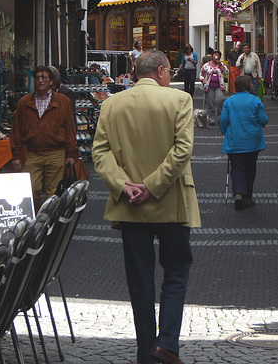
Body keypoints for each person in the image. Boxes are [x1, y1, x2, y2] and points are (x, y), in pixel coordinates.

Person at [92, 50, 201, 364]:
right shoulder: (179, 101)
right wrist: (152, 186)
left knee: (139, 280)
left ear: (137, 73)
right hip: (171, 202)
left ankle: (145, 352)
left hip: (129, 206)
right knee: (176, 272)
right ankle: (165, 345)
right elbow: (182, 151)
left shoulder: (111, 104)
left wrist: (124, 185)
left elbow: (101, 153)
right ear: (163, 71)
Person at [10, 65, 78, 211]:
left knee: (53, 192)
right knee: (31, 189)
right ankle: (38, 216)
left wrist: (72, 153)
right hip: (33, 153)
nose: (40, 80)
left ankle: (49, 222)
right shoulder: (24, 102)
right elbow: (16, 129)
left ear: (51, 81)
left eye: (44, 77)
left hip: (55, 152)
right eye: (37, 77)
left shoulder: (62, 101)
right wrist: (16, 154)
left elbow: (70, 127)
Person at [220, 74, 268, 209]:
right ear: (248, 86)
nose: (253, 85)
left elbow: (223, 121)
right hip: (253, 141)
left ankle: (238, 193)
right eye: (251, 84)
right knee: (250, 168)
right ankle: (247, 196)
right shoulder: (256, 101)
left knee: (237, 168)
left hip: (234, 141)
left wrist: (224, 132)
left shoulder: (229, 102)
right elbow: (263, 120)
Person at [200, 50, 228, 126]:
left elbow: (226, 72)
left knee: (219, 100)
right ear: (212, 56)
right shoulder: (206, 65)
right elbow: (201, 74)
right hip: (209, 86)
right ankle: (211, 119)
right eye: (215, 54)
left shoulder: (220, 64)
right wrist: (203, 80)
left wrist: (220, 64)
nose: (216, 56)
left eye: (218, 55)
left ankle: (220, 117)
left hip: (219, 86)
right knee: (210, 102)